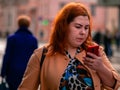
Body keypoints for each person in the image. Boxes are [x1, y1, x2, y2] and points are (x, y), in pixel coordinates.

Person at [18, 2, 120, 90]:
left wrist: (100, 67)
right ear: (64, 26)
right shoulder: (41, 55)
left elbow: (115, 84)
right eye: (78, 27)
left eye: (86, 27)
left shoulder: (95, 51)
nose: (83, 32)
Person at [1, 15, 38, 90]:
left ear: (18, 24)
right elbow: (36, 58)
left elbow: (7, 56)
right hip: (28, 72)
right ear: (28, 25)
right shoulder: (33, 39)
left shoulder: (12, 38)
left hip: (12, 72)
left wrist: (3, 72)